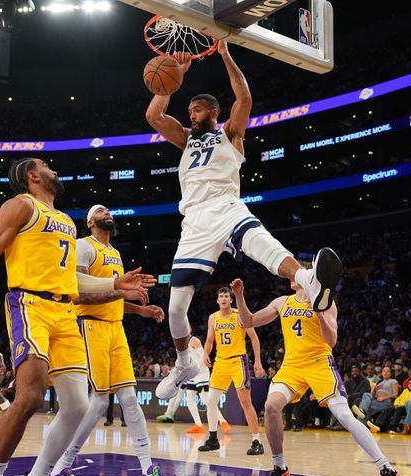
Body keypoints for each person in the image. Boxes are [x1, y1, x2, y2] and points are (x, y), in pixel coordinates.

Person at [145, 41, 342, 400]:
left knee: (261, 242)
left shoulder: (230, 135)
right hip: (194, 223)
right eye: (189, 109)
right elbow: (154, 116)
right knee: (176, 308)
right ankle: (184, 363)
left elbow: (245, 99)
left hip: (227, 206)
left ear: (214, 112)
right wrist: (175, 77)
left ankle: (307, 278)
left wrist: (224, 54)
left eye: (198, 109)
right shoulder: (186, 140)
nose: (191, 114)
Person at [0, 158, 153, 476]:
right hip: (29, 303)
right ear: (32, 177)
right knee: (30, 396)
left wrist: (115, 286)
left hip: (65, 311)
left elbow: (74, 283)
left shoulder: (66, 221)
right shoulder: (21, 205)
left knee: (78, 405)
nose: (55, 169)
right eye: (47, 166)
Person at [230, 278, 402, 476]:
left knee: (345, 416)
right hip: (292, 366)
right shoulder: (282, 302)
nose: (289, 277)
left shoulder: (326, 302)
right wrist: (239, 296)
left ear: (306, 277)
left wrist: (319, 312)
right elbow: (249, 321)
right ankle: (280, 468)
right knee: (271, 407)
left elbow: (331, 340)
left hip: (320, 363)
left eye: (294, 273)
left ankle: (387, 469)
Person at [44, 204, 172, 476]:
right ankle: (58, 470)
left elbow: (111, 297)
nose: (108, 212)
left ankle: (149, 472)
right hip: (90, 327)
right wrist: (122, 291)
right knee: (99, 402)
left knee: (128, 397)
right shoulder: (83, 247)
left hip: (115, 328)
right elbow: (78, 294)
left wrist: (138, 310)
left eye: (110, 210)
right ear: (90, 221)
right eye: (101, 210)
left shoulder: (114, 254)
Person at [198, 287, 265, 455]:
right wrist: (206, 353)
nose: (223, 298)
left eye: (226, 296)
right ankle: (213, 439)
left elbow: (254, 338)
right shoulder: (213, 318)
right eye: (220, 296)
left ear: (231, 300)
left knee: (245, 402)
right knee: (211, 401)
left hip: (238, 361)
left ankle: (257, 440)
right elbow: (209, 340)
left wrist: (257, 361)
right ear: (217, 300)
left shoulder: (239, 315)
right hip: (220, 362)